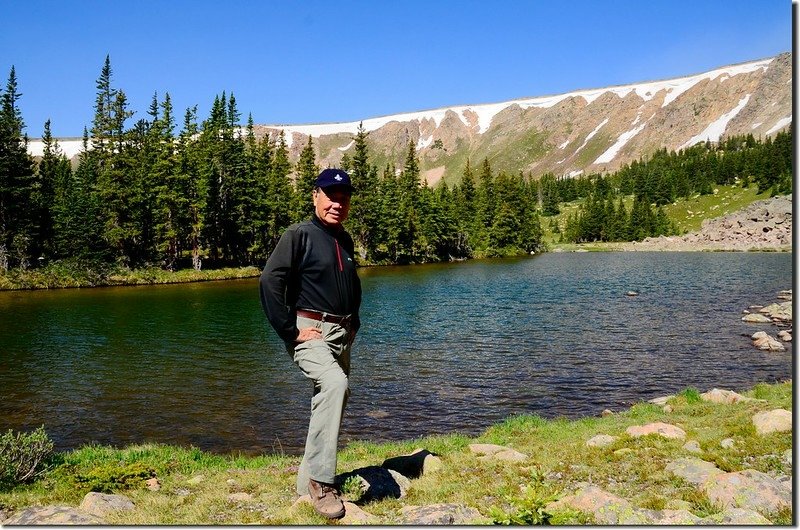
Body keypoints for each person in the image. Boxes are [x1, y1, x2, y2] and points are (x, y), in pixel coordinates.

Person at [259, 168, 361, 520]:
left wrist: (354, 321)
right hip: (309, 330)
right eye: (330, 196)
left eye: (343, 198)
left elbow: (350, 282)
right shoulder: (299, 234)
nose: (337, 203)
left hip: (339, 333)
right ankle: (322, 482)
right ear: (315, 196)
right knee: (335, 384)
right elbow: (269, 281)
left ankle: (305, 484)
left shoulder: (343, 239)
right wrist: (290, 329)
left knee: (331, 398)